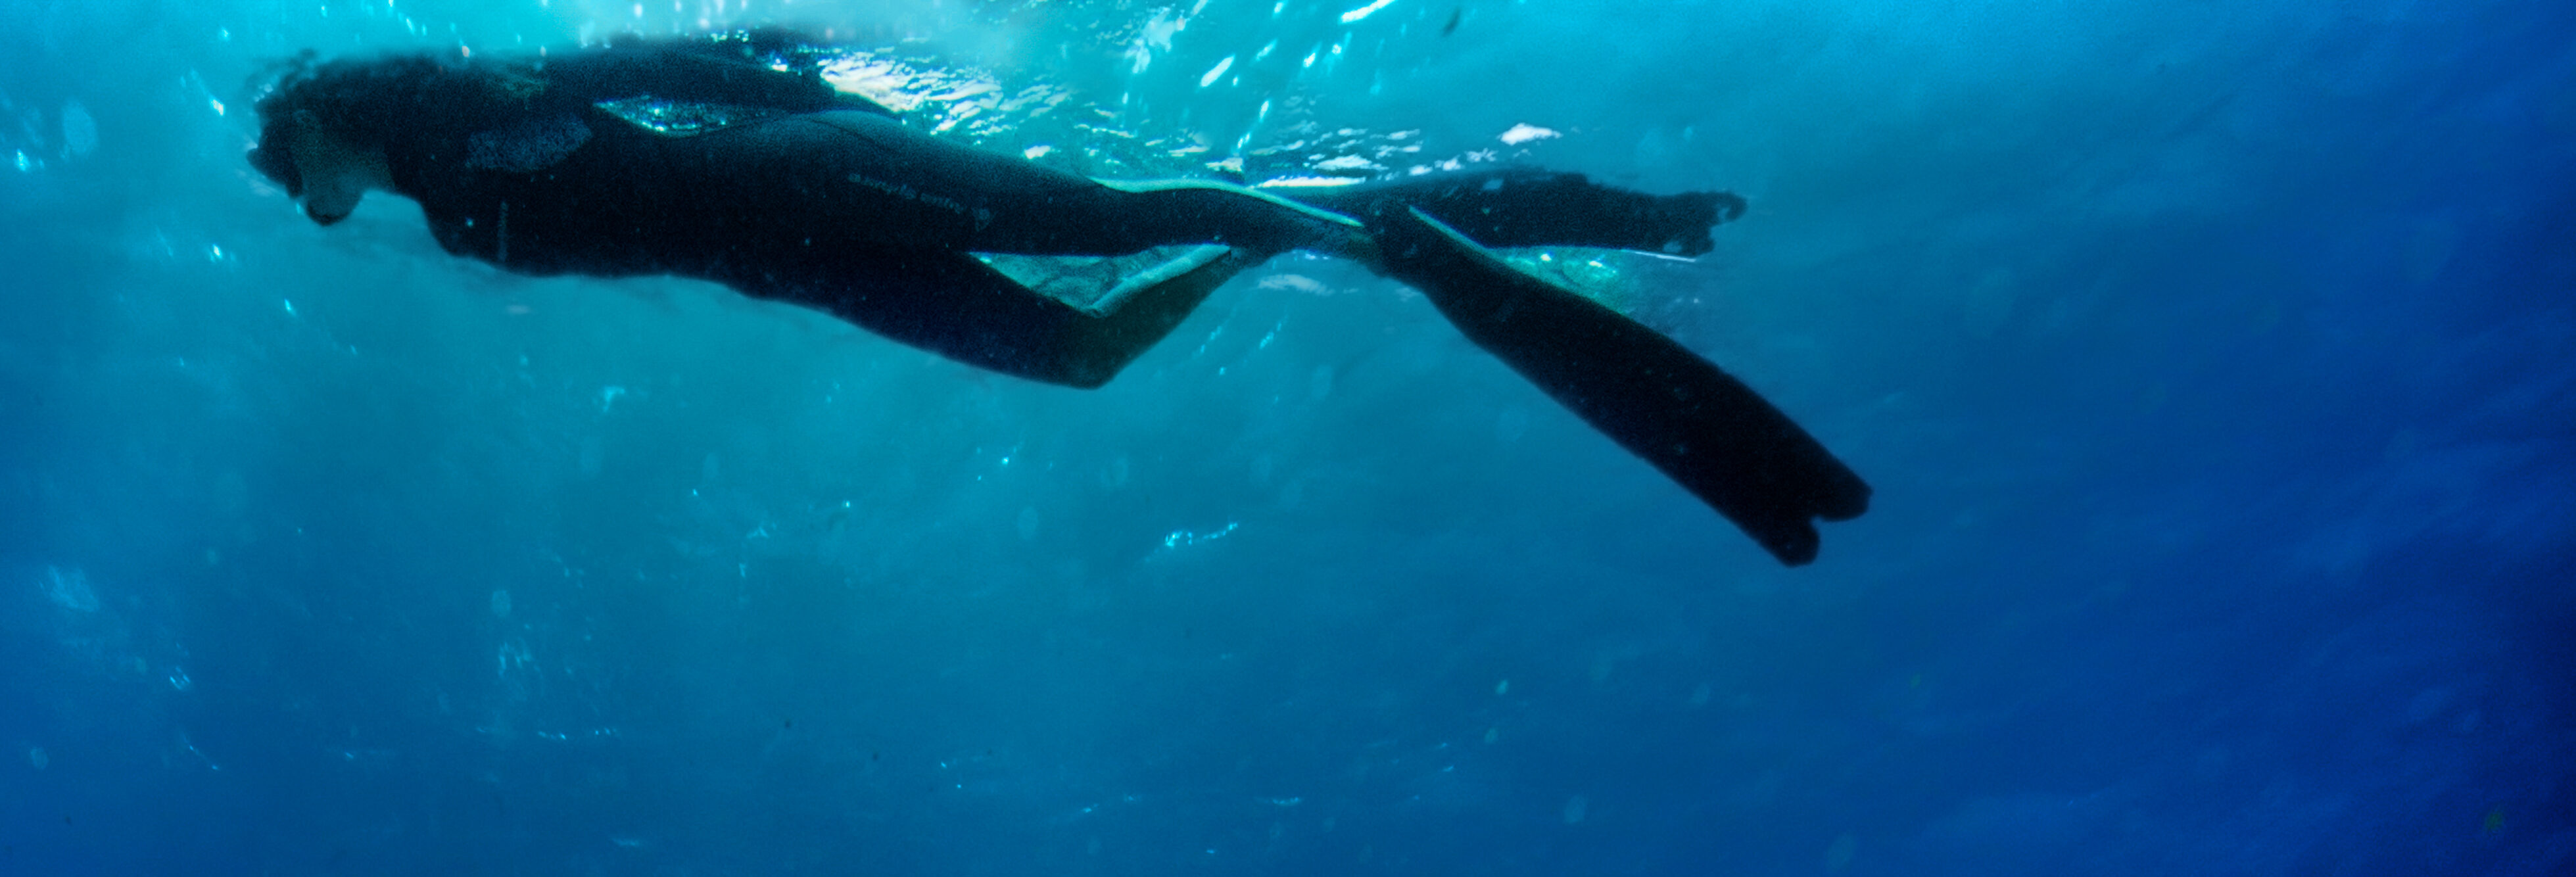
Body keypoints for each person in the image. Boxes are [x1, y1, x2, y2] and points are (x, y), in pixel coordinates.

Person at [251, 32, 1868, 564]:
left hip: (806, 182)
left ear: (330, 115)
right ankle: (1300, 231)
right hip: (799, 262)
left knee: (1111, 220)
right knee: (1086, 351)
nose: (294, 188)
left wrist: (805, 88)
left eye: (291, 153)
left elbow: (644, 69)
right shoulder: (449, 216)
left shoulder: (476, 115)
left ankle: (1370, 235)